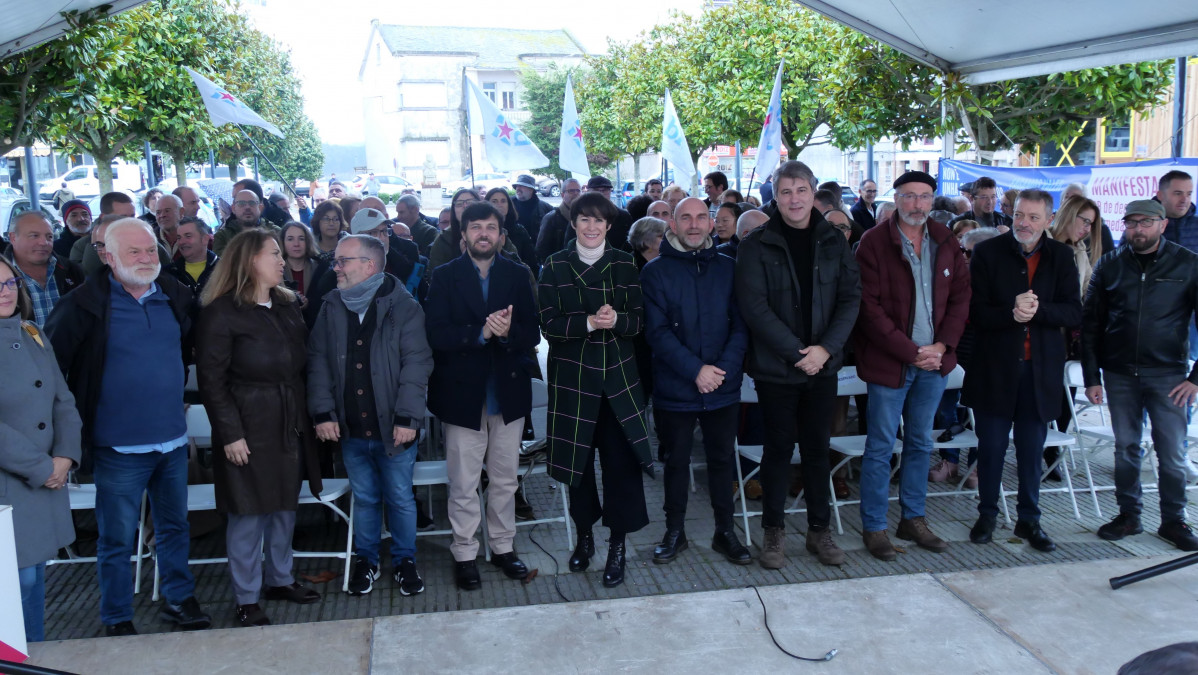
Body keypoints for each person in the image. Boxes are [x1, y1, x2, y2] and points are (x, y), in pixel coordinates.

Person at [45, 218, 210, 636]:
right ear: (108, 256)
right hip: (117, 448)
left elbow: (187, 351)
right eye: (133, 252)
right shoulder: (82, 305)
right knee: (116, 540)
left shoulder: (174, 295)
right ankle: (117, 616)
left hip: (172, 440)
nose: (145, 258)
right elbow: (53, 373)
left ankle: (178, 598)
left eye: (151, 249)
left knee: (174, 528)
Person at [735, 160, 862, 568]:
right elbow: (754, 307)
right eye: (786, 191)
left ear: (813, 192)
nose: (794, 199)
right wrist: (797, 353)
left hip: (823, 365)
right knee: (777, 451)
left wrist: (824, 350)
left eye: (801, 190)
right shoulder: (756, 243)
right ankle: (773, 534)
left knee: (816, 450)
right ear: (776, 195)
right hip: (777, 368)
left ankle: (819, 533)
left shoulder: (833, 240)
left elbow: (850, 298)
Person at [196, 229, 323, 627]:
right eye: (273, 254)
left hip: (288, 417)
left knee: (285, 506)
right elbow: (211, 381)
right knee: (249, 512)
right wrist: (231, 433)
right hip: (248, 421)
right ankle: (246, 596)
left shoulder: (287, 305)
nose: (282, 260)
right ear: (250, 260)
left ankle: (280, 579)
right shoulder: (221, 312)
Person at [538, 192, 654, 588]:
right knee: (578, 468)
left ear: (609, 226)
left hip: (618, 382)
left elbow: (638, 323)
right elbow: (549, 325)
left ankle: (617, 544)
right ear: (574, 223)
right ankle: (584, 537)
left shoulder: (625, 262)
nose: (591, 227)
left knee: (621, 468)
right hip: (573, 381)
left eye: (599, 221)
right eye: (584, 220)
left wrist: (616, 319)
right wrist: (588, 322)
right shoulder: (554, 265)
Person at [308, 234, 434, 595]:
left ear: (370, 266)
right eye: (337, 261)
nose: (337, 268)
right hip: (351, 426)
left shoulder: (404, 307)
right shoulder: (331, 305)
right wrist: (322, 413)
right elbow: (316, 362)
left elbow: (417, 363)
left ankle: (405, 559)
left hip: (395, 429)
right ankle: (366, 560)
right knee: (364, 497)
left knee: (399, 496)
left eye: (344, 261)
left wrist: (408, 418)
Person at [854, 171, 970, 561]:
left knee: (921, 442)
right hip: (892, 363)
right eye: (909, 196)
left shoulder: (945, 240)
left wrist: (942, 345)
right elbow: (867, 310)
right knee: (880, 447)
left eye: (924, 197)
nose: (918, 204)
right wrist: (910, 350)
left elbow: (960, 299)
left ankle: (913, 519)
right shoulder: (873, 243)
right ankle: (874, 526)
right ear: (896, 198)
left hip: (934, 363)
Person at [424, 202, 537, 590]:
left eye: (491, 227)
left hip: (507, 392)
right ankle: (465, 552)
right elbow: (436, 334)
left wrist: (506, 334)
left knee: (505, 479)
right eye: (476, 228)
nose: (484, 234)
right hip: (462, 395)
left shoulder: (518, 274)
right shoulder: (444, 276)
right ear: (464, 235)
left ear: (501, 236)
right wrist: (481, 333)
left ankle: (504, 547)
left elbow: (533, 333)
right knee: (463, 482)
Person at [964, 189, 1081, 553]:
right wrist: (1010, 314)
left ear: (1049, 220)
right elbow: (974, 313)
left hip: (1039, 369)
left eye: (1033, 217)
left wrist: (1037, 311)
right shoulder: (986, 253)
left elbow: (1073, 312)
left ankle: (1029, 518)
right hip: (994, 368)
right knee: (992, 446)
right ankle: (987, 515)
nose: (1024, 223)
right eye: (1018, 216)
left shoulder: (1061, 256)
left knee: (1032, 449)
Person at [1082, 199, 1198, 551]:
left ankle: (1173, 520)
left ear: (1162, 225)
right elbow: (1090, 325)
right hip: (1119, 374)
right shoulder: (1109, 265)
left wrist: (1195, 378)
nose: (1138, 229)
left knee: (1172, 452)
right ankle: (1129, 515)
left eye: (1146, 222)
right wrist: (1092, 377)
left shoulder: (1188, 264)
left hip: (1169, 375)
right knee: (1125, 448)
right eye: (1131, 223)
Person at [642, 197, 751, 566]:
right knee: (675, 462)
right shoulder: (655, 272)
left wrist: (721, 370)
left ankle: (726, 531)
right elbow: (656, 333)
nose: (693, 224)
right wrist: (696, 371)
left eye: (701, 217)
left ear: (711, 224)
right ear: (671, 225)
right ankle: (675, 532)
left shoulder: (729, 268)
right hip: (677, 388)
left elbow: (741, 325)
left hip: (723, 385)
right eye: (684, 218)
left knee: (722, 460)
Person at [0, 256, 82, 643]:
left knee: (32, 578)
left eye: (9, 282)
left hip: (45, 477)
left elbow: (62, 400)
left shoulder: (32, 331)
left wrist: (65, 456)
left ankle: (30, 656)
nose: (5, 292)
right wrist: (42, 467)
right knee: (14, 582)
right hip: (12, 481)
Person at [7, 211, 85, 327]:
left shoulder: (71, 270)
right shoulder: (4, 275)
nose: (44, 242)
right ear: (13, 237)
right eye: (34, 236)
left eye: (49, 236)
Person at [627, 216, 669, 399]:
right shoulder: (628, 268)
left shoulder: (665, 266)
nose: (668, 239)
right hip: (637, 345)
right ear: (646, 241)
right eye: (662, 236)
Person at [429, 189, 520, 270]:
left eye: (470, 202)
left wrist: (497, 254)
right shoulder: (444, 239)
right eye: (459, 204)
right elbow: (436, 274)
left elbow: (515, 264)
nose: (465, 206)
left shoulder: (497, 234)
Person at [486, 187, 537, 274]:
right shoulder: (481, 232)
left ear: (508, 205)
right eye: (494, 201)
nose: (499, 205)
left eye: (503, 201)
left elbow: (531, 262)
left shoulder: (519, 231)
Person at [214, 190, 280, 255]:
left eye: (252, 203)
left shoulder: (277, 232)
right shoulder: (222, 237)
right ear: (233, 209)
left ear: (260, 208)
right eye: (241, 204)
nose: (247, 207)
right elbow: (223, 263)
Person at [279, 221, 327, 306]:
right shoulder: (276, 269)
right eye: (290, 239)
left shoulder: (321, 269)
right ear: (283, 242)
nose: (296, 244)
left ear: (308, 241)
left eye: (301, 238)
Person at [169, 217, 219, 296]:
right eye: (179, 238)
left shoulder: (224, 269)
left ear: (205, 239)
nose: (181, 242)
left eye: (188, 236)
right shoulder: (170, 273)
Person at [535, 179, 583, 261]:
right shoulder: (551, 218)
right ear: (562, 195)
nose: (575, 194)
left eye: (578, 190)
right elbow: (541, 250)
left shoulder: (586, 217)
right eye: (571, 191)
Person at [512, 174, 554, 252]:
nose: (518, 188)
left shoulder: (545, 207)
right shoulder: (508, 204)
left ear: (531, 190)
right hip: (513, 249)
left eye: (522, 186)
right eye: (517, 186)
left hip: (534, 251)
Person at [155, 193, 184, 259]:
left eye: (167, 211)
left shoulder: (194, 238)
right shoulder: (150, 240)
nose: (162, 215)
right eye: (158, 212)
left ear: (181, 212)